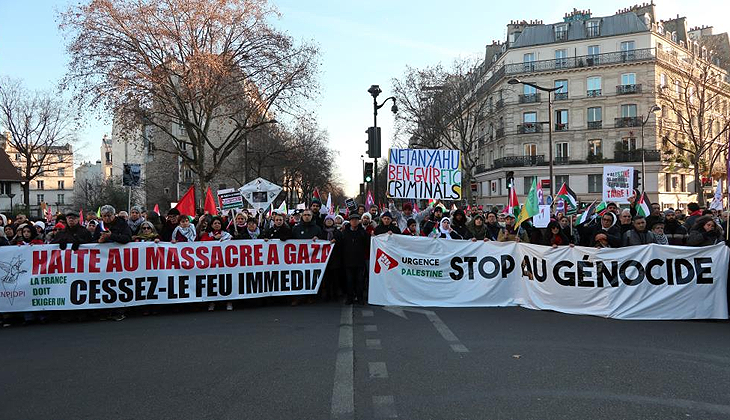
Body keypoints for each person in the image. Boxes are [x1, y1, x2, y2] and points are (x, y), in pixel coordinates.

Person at [341, 214, 369, 305]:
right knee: (349, 281)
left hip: (360, 261)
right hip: (348, 261)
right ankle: (350, 298)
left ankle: (360, 298)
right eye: (352, 220)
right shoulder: (344, 232)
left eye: (356, 220)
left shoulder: (363, 232)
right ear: (350, 221)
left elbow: (368, 243)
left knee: (359, 280)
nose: (354, 222)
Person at [320, 215, 343, 301]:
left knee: (335, 277)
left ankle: (335, 294)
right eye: (327, 220)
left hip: (335, 257)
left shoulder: (337, 232)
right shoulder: (322, 232)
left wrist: (336, 240)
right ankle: (327, 294)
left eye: (331, 220)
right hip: (324, 258)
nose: (329, 221)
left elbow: (341, 243)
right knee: (326, 277)